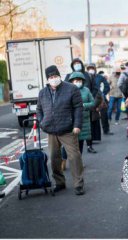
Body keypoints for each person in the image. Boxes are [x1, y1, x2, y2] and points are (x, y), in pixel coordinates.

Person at [36, 65, 85, 195]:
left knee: (74, 157)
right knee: (54, 158)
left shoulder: (71, 89)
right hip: (51, 130)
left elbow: (78, 108)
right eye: (51, 77)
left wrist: (77, 125)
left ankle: (78, 184)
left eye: (55, 76)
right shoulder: (42, 93)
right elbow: (39, 109)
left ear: (59, 76)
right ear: (47, 79)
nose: (54, 79)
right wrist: (42, 122)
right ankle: (59, 182)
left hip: (68, 129)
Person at [68, 72, 95, 154]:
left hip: (84, 119)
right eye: (76, 81)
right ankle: (71, 160)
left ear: (83, 81)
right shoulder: (68, 90)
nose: (78, 82)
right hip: (71, 119)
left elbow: (93, 103)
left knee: (80, 142)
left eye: (79, 80)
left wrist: (83, 105)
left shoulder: (86, 90)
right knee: (71, 142)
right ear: (72, 81)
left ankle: (79, 160)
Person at [98, 70, 114, 135]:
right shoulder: (88, 77)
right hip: (92, 98)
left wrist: (103, 93)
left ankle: (106, 130)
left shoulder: (101, 78)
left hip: (101, 99)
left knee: (104, 115)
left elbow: (107, 87)